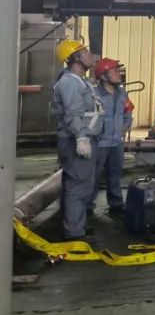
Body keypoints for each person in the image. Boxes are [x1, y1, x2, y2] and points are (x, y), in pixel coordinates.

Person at [51, 40, 102, 240]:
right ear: (75, 58)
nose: (91, 55)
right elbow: (73, 114)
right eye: (86, 52)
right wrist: (81, 138)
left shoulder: (81, 81)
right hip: (77, 139)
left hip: (84, 137)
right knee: (78, 185)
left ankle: (74, 224)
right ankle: (74, 232)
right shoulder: (70, 83)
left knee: (78, 184)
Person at [91, 58, 132, 218]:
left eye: (118, 70)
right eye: (114, 71)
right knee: (93, 176)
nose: (118, 73)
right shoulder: (94, 94)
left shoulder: (122, 93)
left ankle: (116, 205)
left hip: (116, 143)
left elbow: (128, 114)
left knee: (115, 174)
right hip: (99, 143)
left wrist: (124, 128)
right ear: (103, 76)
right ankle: (87, 208)